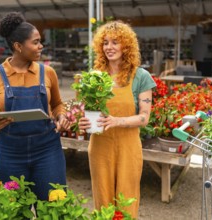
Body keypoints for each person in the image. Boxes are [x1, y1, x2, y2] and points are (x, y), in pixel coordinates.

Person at [0, 12, 70, 200]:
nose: (41, 46)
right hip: (10, 152)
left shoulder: (48, 72)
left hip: (48, 149)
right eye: (35, 42)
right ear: (18, 46)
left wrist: (62, 116)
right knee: (16, 208)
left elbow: (58, 105)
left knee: (54, 206)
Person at [78, 20, 156, 218]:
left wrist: (116, 121)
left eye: (115, 42)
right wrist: (83, 123)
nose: (109, 47)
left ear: (126, 45)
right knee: (102, 201)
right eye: (105, 43)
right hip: (100, 146)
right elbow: (91, 114)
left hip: (128, 147)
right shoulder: (94, 77)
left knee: (126, 200)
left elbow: (144, 118)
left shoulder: (141, 76)